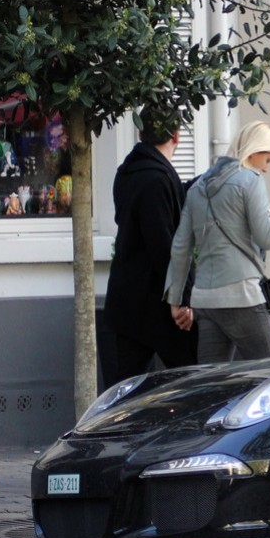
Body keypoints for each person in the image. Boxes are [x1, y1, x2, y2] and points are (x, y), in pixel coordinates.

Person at [164, 121, 270, 363]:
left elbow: (180, 247)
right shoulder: (250, 180)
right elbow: (267, 237)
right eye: (268, 160)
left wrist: (176, 300)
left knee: (212, 384)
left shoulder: (198, 187)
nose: (267, 168)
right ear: (254, 151)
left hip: (205, 301)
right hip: (241, 297)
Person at [101, 107, 197, 390]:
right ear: (177, 136)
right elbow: (163, 246)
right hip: (157, 306)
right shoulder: (156, 179)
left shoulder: (129, 172)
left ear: (141, 132)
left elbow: (160, 206)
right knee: (194, 388)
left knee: (121, 399)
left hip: (127, 303)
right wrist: (181, 299)